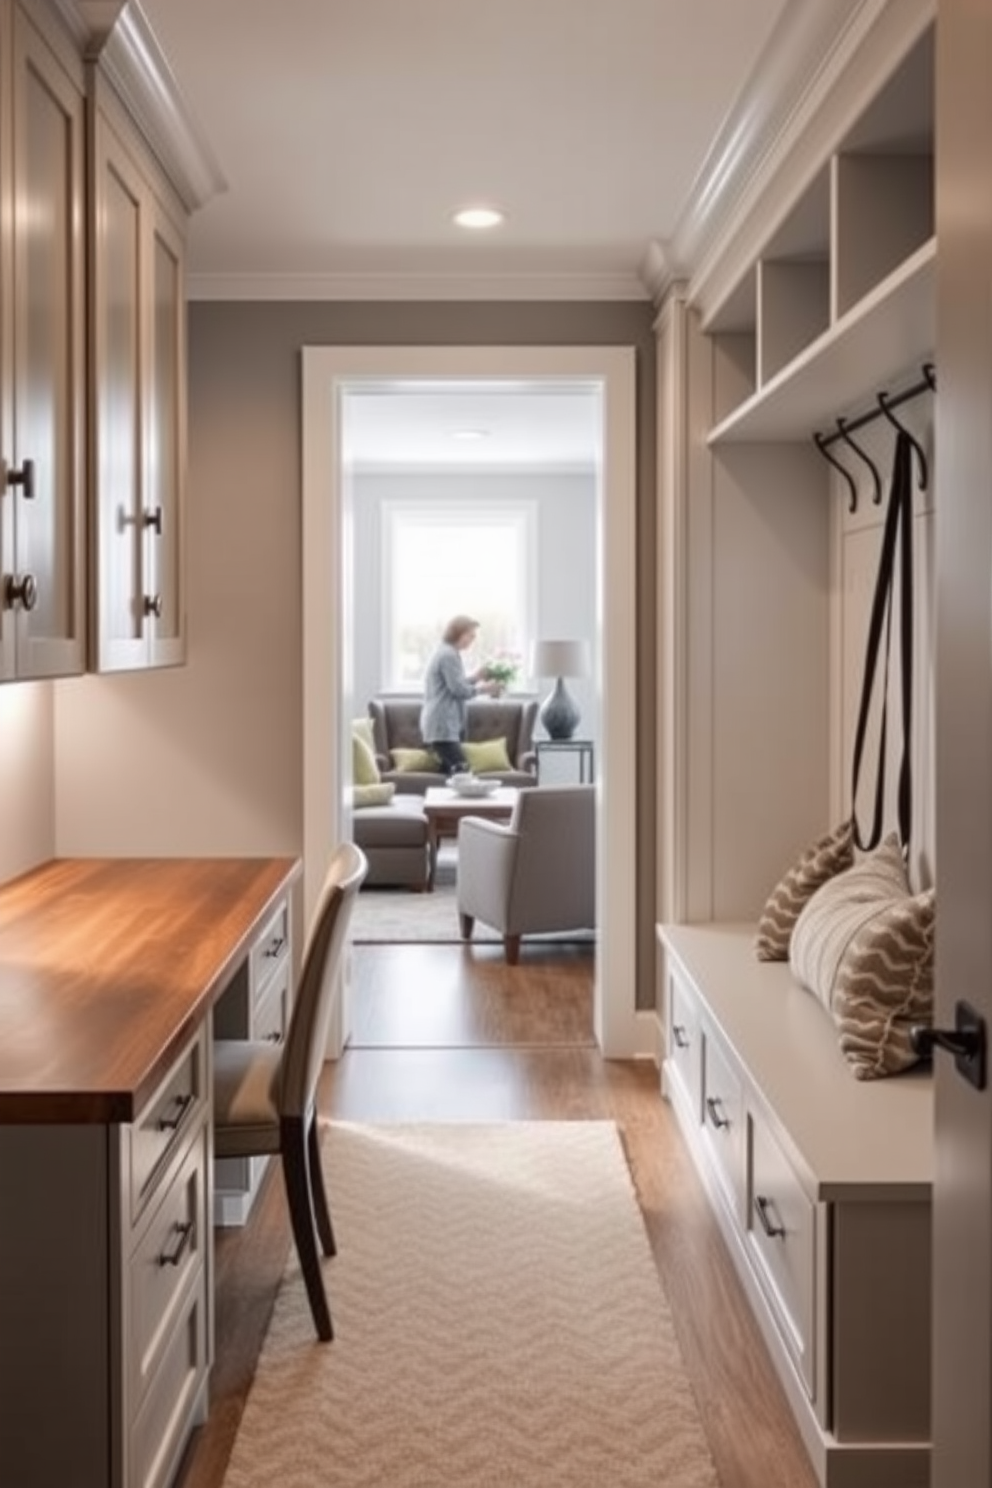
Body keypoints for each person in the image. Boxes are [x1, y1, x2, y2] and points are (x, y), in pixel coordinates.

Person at [421, 614, 501, 776]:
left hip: (439, 726)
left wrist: (475, 678)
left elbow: (452, 685)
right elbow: (458, 690)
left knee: (450, 776)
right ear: (459, 633)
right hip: (442, 727)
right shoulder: (448, 655)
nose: (473, 640)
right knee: (463, 774)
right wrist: (485, 689)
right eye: (470, 635)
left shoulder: (445, 652)